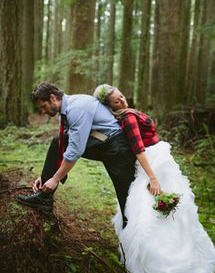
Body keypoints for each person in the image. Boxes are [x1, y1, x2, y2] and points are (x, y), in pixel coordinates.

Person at [92, 84, 215, 273]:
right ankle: (157, 260)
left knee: (175, 207)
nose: (123, 101)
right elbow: (137, 148)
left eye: (122, 96)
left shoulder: (126, 113)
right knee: (152, 206)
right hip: (151, 162)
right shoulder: (127, 118)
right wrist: (153, 178)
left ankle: (182, 249)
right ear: (110, 106)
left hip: (160, 159)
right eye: (117, 101)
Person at [17, 82, 136, 228]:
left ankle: (134, 232)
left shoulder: (77, 108)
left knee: (127, 195)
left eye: (43, 106)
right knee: (59, 140)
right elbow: (64, 145)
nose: (42, 111)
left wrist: (55, 179)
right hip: (104, 143)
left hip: (118, 148)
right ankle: (44, 197)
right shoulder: (67, 110)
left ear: (53, 98)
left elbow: (75, 150)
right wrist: (46, 177)